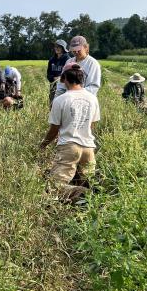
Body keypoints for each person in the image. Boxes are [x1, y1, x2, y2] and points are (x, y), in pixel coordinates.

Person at [40, 63, 100, 202]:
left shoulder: (61, 100)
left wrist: (43, 145)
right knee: (86, 179)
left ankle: (80, 193)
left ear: (64, 78)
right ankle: (90, 196)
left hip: (69, 147)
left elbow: (54, 129)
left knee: (55, 185)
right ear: (81, 79)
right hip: (88, 147)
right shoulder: (92, 98)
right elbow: (92, 125)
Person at [47, 39, 70, 106]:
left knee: (63, 105)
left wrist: (61, 78)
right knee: (52, 105)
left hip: (65, 87)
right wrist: (53, 78)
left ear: (63, 48)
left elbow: (70, 74)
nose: (56, 48)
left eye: (59, 47)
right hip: (53, 87)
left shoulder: (68, 59)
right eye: (55, 47)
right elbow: (48, 74)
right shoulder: (51, 60)